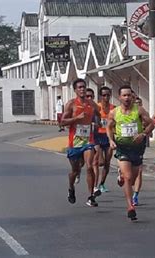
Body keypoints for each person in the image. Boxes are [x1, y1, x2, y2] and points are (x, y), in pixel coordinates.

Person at [107, 85, 154, 221]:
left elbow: (151, 124)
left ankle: (122, 176)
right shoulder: (114, 112)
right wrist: (111, 140)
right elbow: (109, 127)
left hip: (137, 148)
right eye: (124, 95)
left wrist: (143, 134)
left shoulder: (139, 110)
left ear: (132, 97)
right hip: (122, 147)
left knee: (132, 179)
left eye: (129, 95)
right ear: (120, 97)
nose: (127, 98)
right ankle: (130, 206)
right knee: (128, 177)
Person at [60, 79, 101, 207]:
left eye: (84, 87)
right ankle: (71, 187)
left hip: (88, 140)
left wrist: (96, 123)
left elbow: (98, 115)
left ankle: (91, 197)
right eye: (79, 87)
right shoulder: (71, 104)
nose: (82, 89)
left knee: (89, 166)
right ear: (75, 90)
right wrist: (76, 118)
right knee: (75, 170)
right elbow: (62, 122)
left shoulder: (92, 104)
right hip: (74, 142)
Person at [93, 86, 115, 194]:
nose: (106, 97)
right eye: (104, 95)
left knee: (107, 162)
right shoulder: (97, 107)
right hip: (98, 135)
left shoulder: (113, 108)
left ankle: (102, 183)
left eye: (108, 95)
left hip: (109, 136)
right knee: (100, 161)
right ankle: (95, 184)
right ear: (100, 96)